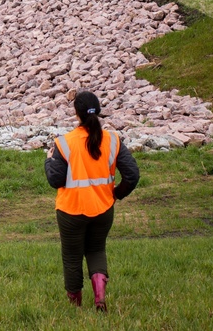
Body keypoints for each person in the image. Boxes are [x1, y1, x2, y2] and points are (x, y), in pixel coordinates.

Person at [45, 90, 140, 311]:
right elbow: (132, 175)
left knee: (72, 257)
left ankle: (75, 306)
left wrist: (48, 161)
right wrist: (116, 194)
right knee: (97, 249)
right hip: (103, 209)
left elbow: (55, 179)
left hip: (71, 211)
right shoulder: (113, 140)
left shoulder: (64, 143)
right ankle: (99, 298)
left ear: (76, 113)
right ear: (97, 111)